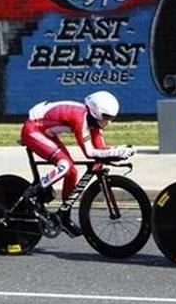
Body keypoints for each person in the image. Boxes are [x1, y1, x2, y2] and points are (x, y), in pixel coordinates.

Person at [20, 91, 134, 237]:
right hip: (32, 130)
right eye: (106, 117)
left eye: (112, 118)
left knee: (72, 172)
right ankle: (32, 193)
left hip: (45, 132)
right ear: (96, 112)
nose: (109, 122)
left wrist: (120, 149)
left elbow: (101, 149)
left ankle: (64, 216)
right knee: (65, 165)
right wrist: (116, 153)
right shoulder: (80, 118)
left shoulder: (92, 121)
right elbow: (90, 152)